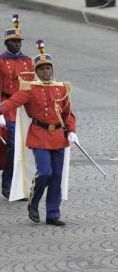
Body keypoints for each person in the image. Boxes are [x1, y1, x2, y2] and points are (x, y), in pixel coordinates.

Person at [0, 39, 77, 226]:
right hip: (39, 135)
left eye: (48, 68)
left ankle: (52, 214)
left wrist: (72, 131)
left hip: (59, 136)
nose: (46, 72)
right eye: (42, 69)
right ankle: (34, 202)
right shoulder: (30, 89)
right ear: (36, 71)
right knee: (45, 172)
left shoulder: (61, 88)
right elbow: (12, 103)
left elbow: (68, 113)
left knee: (56, 176)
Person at [0, 14, 34, 199]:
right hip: (7, 107)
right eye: (13, 42)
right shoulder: (0, 61)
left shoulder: (28, 61)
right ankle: (7, 183)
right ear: (6, 43)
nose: (17, 45)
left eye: (19, 41)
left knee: (25, 147)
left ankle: (23, 185)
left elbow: (33, 85)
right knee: (13, 145)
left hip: (25, 109)